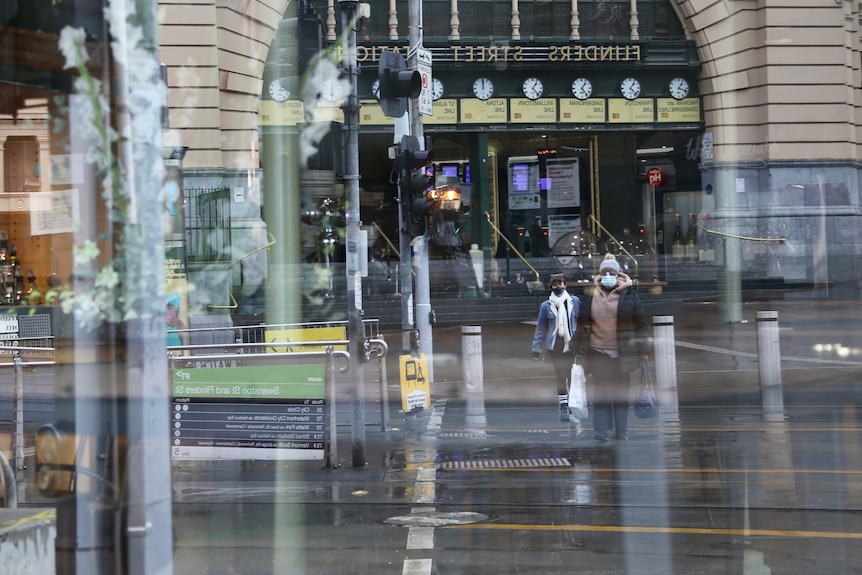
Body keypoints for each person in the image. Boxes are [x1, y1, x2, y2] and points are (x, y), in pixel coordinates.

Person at [576, 254, 650, 442]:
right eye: (605, 273)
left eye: (612, 273)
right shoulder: (590, 296)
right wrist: (578, 349)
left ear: (618, 275)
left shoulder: (630, 296)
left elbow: (641, 324)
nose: (608, 276)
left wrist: (644, 351)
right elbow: (582, 324)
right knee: (601, 394)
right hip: (598, 352)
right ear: (600, 275)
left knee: (620, 395)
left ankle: (621, 431)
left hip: (622, 354)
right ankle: (601, 431)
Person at [531, 273, 581, 422]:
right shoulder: (546, 306)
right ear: (551, 287)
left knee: (573, 374)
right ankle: (563, 405)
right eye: (555, 284)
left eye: (560, 283)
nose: (558, 286)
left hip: (572, 344)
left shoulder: (575, 301)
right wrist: (536, 347)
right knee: (561, 374)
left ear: (565, 285)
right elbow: (541, 327)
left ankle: (573, 402)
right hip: (555, 345)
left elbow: (579, 321)